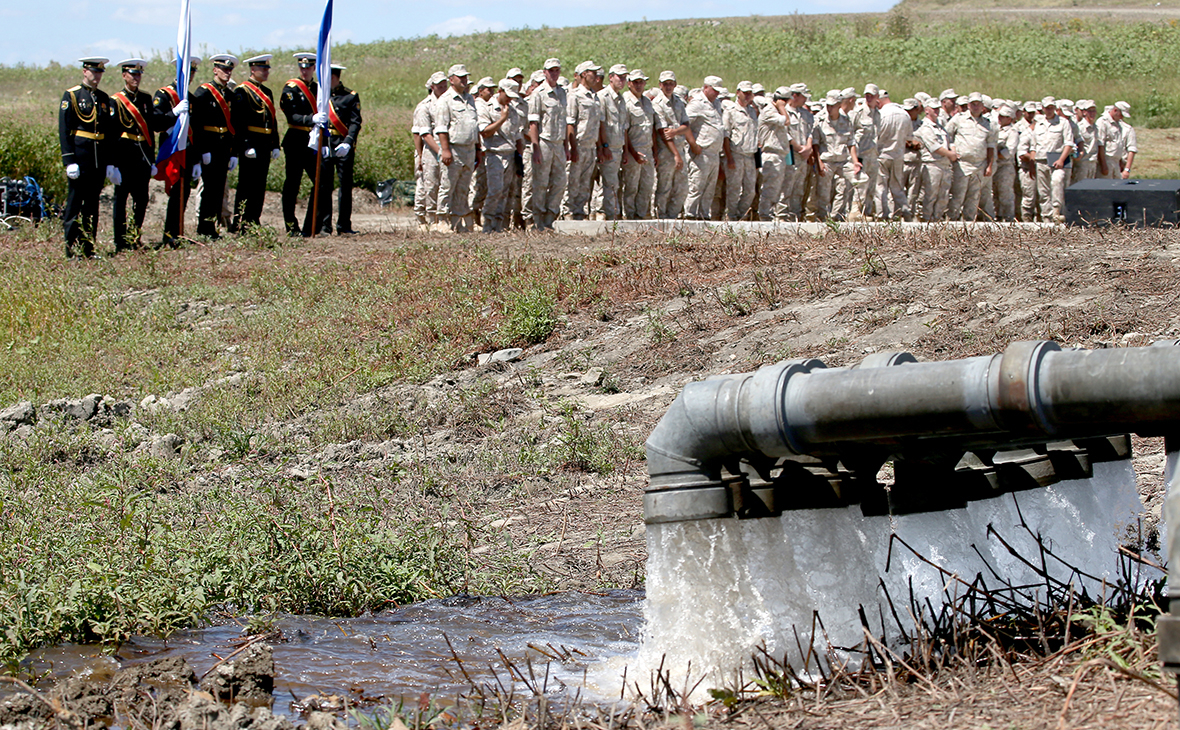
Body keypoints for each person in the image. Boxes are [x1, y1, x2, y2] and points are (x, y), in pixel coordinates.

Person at [59, 57, 115, 258]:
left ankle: (88, 248)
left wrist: (109, 162)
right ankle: (71, 250)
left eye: (100, 72)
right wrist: (69, 161)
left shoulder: (103, 98)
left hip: (97, 158)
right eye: (94, 71)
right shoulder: (72, 96)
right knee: (75, 203)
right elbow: (64, 131)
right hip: (80, 157)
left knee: (92, 205)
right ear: (85, 71)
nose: (97, 76)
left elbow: (107, 133)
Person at [279, 53, 332, 236]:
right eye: (302, 68)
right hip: (295, 140)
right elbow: (291, 116)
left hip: (313, 141)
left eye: (309, 67)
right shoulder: (291, 89)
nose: (305, 71)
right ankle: (291, 226)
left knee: (322, 181)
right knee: (292, 184)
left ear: (313, 69)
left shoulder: (318, 89)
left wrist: (324, 141)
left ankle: (311, 226)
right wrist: (311, 118)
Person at [152, 55, 200, 248]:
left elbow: (195, 131)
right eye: (187, 71)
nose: (190, 75)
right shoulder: (164, 95)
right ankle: (169, 234)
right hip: (171, 151)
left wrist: (196, 159)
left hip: (187, 152)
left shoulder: (191, 98)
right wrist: (174, 113)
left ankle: (178, 232)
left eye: (193, 72)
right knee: (175, 193)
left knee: (184, 192)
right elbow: (157, 123)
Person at [108, 58, 154, 253]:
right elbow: (111, 134)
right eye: (132, 74)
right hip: (124, 155)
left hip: (142, 154)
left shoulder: (145, 99)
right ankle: (120, 239)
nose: (136, 78)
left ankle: (135, 235)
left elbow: (149, 130)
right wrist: (112, 163)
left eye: (139, 74)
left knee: (141, 198)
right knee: (121, 199)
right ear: (124, 75)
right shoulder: (115, 101)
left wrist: (152, 158)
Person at [230, 54, 279, 233]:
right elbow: (239, 121)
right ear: (253, 69)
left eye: (267, 69)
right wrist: (245, 145)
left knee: (259, 185)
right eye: (262, 69)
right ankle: (240, 222)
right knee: (246, 184)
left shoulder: (267, 92)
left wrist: (275, 143)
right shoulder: (242, 91)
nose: (266, 72)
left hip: (265, 142)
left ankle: (253, 220)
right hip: (251, 142)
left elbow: (273, 120)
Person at [191, 53, 238, 239]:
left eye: (229, 70)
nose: (227, 73)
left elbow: (233, 126)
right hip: (209, 146)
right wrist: (202, 150)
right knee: (209, 190)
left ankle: (214, 228)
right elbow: (197, 125)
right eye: (224, 69)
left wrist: (233, 152)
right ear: (215, 70)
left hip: (224, 146)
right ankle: (204, 227)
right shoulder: (203, 92)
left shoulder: (229, 95)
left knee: (219, 190)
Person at [435, 63, 479, 232]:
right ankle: (442, 218)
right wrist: (445, 150)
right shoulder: (445, 100)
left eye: (465, 77)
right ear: (451, 79)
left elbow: (474, 125)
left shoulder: (469, 99)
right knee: (448, 185)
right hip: (453, 148)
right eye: (460, 77)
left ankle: (457, 218)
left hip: (469, 148)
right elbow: (441, 128)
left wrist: (478, 149)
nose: (464, 80)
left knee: (463, 186)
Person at [528, 58, 569, 230]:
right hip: (544, 143)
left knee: (559, 182)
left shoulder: (562, 93)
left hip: (558, 143)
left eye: (557, 70)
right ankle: (537, 219)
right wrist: (535, 147)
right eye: (551, 70)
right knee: (541, 182)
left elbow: (565, 121)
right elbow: (533, 123)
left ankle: (551, 217)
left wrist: (566, 146)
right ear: (544, 72)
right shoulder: (538, 94)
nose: (554, 73)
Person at [478, 79, 524, 232]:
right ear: (500, 91)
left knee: (505, 192)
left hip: (510, 154)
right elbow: (485, 132)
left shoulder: (514, 111)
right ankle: (488, 222)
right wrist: (502, 118)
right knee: (495, 190)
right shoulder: (488, 108)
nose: (510, 99)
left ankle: (499, 224)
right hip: (494, 155)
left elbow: (517, 135)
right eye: (508, 95)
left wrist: (519, 157)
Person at [944, 92, 996, 221]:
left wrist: (989, 166)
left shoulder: (989, 124)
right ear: (968, 105)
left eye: (978, 104)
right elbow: (946, 134)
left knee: (974, 198)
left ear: (983, 106)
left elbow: (990, 146)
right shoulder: (958, 119)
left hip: (979, 164)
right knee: (958, 196)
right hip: (962, 164)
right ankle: (951, 223)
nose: (976, 106)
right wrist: (952, 149)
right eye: (973, 104)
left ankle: (969, 223)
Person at [564, 61, 605, 220]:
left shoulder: (595, 97)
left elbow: (597, 125)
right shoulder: (574, 95)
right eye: (592, 73)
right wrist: (573, 148)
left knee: (585, 183)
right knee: (572, 181)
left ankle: (580, 212)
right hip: (579, 145)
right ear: (583, 75)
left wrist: (600, 146)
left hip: (591, 146)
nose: (595, 76)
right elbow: (570, 123)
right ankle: (568, 212)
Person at [326, 64, 362, 234]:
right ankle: (324, 226)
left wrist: (348, 141)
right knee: (325, 186)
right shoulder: (320, 96)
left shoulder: (350, 96)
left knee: (345, 186)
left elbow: (355, 122)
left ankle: (344, 225)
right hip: (325, 143)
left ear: (335, 77)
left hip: (342, 144)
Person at [684, 76, 726, 220]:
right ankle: (689, 214)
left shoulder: (717, 103)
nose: (717, 94)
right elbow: (684, 124)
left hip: (714, 153)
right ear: (706, 87)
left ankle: (703, 215)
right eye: (714, 90)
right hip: (702, 151)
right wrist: (693, 144)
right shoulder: (697, 103)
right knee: (696, 185)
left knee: (709, 188)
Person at [620, 69, 660, 219]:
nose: (639, 85)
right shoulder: (626, 102)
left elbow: (652, 129)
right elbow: (624, 131)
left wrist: (655, 151)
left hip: (647, 151)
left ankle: (642, 216)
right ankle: (629, 217)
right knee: (631, 186)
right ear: (629, 84)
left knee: (646, 186)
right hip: (633, 151)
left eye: (641, 82)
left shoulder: (647, 102)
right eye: (635, 82)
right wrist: (632, 153)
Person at [651, 70, 691, 219]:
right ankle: (661, 217)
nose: (668, 87)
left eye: (671, 84)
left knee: (681, 187)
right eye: (665, 84)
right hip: (667, 151)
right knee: (664, 187)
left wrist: (675, 131)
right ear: (660, 85)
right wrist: (675, 154)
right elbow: (663, 132)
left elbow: (686, 125)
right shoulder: (657, 103)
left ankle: (673, 216)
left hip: (680, 148)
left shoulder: (679, 102)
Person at [412, 71, 447, 231]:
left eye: (444, 83)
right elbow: (419, 134)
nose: (443, 86)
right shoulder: (424, 107)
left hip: (445, 148)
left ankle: (442, 218)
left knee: (444, 184)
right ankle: (426, 217)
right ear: (432, 86)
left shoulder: (447, 103)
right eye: (439, 84)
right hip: (429, 150)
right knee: (429, 184)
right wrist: (420, 156)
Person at [914, 98, 957, 222]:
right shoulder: (925, 127)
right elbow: (934, 147)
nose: (937, 111)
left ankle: (937, 219)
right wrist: (951, 154)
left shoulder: (940, 127)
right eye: (934, 109)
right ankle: (926, 219)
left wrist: (952, 151)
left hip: (944, 165)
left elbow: (949, 140)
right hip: (932, 165)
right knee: (930, 194)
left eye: (938, 108)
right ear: (927, 110)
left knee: (943, 195)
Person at [876, 97, 918, 220]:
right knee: (898, 187)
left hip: (882, 154)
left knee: (880, 187)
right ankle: (906, 212)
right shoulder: (905, 115)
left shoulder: (881, 115)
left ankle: (882, 215)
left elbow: (876, 136)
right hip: (898, 155)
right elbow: (909, 137)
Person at [1032, 96, 1073, 223]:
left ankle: (1057, 211)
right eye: (1047, 108)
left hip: (1058, 160)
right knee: (1043, 191)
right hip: (1041, 160)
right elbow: (1034, 144)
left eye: (1051, 108)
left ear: (1055, 108)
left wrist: (1061, 159)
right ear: (1043, 108)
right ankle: (1046, 218)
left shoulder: (1063, 123)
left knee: (1057, 182)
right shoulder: (1038, 124)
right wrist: (1033, 158)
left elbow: (1069, 144)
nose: (1049, 110)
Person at [595, 64, 627, 220]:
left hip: (618, 147)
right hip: (608, 148)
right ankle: (612, 215)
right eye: (619, 77)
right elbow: (601, 124)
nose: (622, 80)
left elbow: (623, 127)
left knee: (614, 183)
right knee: (611, 184)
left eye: (624, 77)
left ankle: (609, 213)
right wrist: (603, 146)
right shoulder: (603, 97)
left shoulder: (621, 99)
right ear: (611, 78)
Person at [722, 81, 758, 221]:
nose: (748, 95)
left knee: (750, 191)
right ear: (738, 93)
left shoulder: (752, 112)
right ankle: (730, 216)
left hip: (750, 156)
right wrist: (729, 157)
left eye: (750, 93)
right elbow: (726, 135)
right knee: (734, 189)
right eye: (745, 92)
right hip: (736, 154)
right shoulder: (731, 111)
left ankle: (742, 215)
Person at [992, 104, 1019, 221]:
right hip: (994, 165)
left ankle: (1008, 219)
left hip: (1005, 168)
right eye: (1000, 116)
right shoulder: (995, 130)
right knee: (994, 194)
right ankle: (996, 217)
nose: (1000, 118)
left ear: (1010, 119)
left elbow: (1008, 153)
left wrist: (992, 155)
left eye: (1003, 117)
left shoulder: (1012, 132)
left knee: (1005, 194)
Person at [1098, 101, 1136, 179]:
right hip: (1107, 160)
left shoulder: (1118, 124)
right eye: (1121, 115)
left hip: (1116, 162)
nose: (1122, 117)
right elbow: (1100, 145)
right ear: (1115, 110)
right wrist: (1104, 165)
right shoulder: (1103, 122)